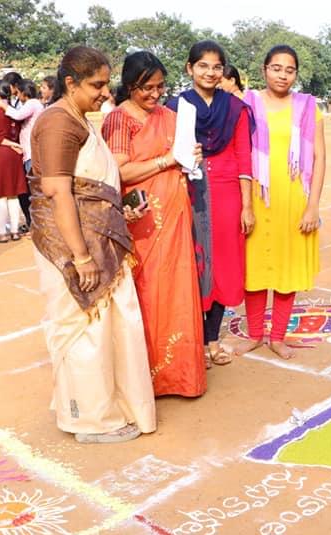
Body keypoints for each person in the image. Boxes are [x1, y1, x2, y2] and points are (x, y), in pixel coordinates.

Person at [29, 46, 156, 443]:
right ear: (70, 83)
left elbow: (90, 187)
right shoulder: (57, 123)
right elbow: (58, 192)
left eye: (105, 84)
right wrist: (81, 256)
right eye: (97, 85)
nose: (105, 92)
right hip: (74, 246)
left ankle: (112, 407)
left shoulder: (78, 118)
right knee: (85, 331)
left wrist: (120, 212)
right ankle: (89, 420)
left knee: (108, 329)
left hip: (96, 239)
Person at [102, 51, 207, 397]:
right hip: (141, 220)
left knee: (177, 288)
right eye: (146, 88)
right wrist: (166, 160)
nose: (155, 94)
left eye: (160, 87)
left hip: (175, 217)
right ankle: (143, 376)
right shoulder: (119, 120)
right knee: (145, 290)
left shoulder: (171, 116)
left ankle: (179, 376)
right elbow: (120, 171)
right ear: (130, 86)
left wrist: (190, 157)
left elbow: (184, 157)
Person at [235, 44, 326, 360]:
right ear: (264, 70)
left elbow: (319, 157)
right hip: (255, 198)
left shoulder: (308, 107)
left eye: (289, 70)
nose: (282, 75)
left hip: (293, 198)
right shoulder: (246, 104)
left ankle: (277, 337)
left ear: (296, 74)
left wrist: (313, 206)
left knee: (287, 269)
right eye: (276, 68)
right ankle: (254, 335)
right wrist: (244, 204)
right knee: (254, 267)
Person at [167, 41, 254, 369]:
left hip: (228, 194)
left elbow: (243, 156)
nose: (210, 72)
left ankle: (212, 340)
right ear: (189, 68)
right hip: (187, 192)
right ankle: (194, 340)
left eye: (217, 67)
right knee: (193, 264)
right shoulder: (174, 108)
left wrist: (247, 205)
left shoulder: (235, 108)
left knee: (222, 267)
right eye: (203, 65)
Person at [0, 80, 28, 242]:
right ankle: (15, 231)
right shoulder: (13, 111)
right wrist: (13, 144)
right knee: (13, 195)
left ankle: (2, 232)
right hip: (14, 154)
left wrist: (8, 143)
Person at [6, 79, 45, 230]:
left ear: (23, 92)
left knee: (33, 190)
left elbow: (17, 115)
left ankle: (38, 224)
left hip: (31, 152)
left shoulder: (32, 103)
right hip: (29, 151)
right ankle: (33, 223)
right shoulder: (34, 104)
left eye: (18, 93)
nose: (17, 96)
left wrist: (3, 106)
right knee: (30, 190)